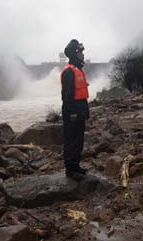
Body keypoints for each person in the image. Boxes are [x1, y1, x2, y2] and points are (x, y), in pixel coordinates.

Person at [60, 39, 90, 181]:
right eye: (81, 52)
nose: (83, 55)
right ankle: (70, 170)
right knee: (71, 140)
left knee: (78, 140)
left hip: (80, 110)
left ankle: (76, 165)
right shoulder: (69, 72)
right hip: (72, 111)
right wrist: (72, 113)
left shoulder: (78, 69)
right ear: (75, 54)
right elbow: (67, 96)